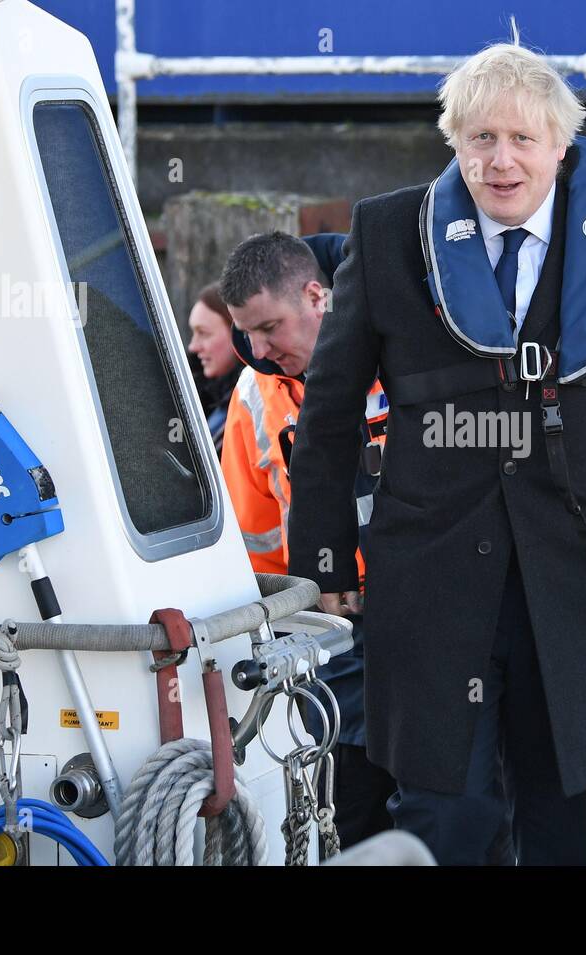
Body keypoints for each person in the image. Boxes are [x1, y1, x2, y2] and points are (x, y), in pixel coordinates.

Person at [284, 43, 586, 866]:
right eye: (479, 139)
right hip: (430, 591)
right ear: (454, 144)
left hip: (578, 581)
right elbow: (329, 416)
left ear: (561, 144)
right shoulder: (385, 231)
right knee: (446, 820)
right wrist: (326, 560)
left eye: (520, 139)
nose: (500, 160)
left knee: (560, 823)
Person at [218, 231, 395, 850]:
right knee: (349, 802)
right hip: (331, 629)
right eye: (247, 334)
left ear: (318, 297)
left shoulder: (402, 343)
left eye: (270, 327)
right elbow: (254, 537)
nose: (259, 348)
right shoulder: (252, 396)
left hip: (433, 610)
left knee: (452, 805)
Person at [186, 282, 242, 455]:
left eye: (203, 333)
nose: (193, 347)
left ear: (238, 333)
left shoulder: (253, 406)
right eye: (193, 333)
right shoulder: (202, 399)